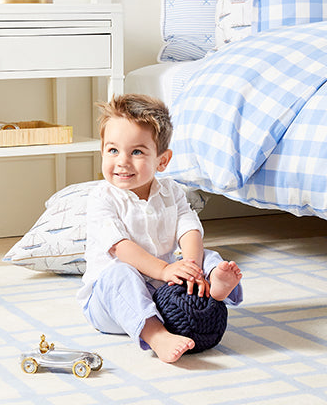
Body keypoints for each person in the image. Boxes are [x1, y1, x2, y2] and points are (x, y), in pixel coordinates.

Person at [77, 94, 243, 363]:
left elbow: (189, 229)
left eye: (137, 152)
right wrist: (165, 270)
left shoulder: (171, 192)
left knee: (206, 255)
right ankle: (156, 335)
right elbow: (121, 247)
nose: (122, 161)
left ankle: (211, 289)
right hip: (110, 303)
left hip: (163, 292)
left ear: (162, 161)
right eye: (113, 150)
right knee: (119, 273)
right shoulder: (102, 199)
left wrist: (191, 267)